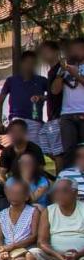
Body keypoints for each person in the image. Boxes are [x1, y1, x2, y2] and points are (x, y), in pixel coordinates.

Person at [26, 178, 84, 260]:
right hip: (55, 254)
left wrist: (79, 253)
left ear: (75, 193)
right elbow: (42, 241)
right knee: (31, 255)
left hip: (81, 254)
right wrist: (57, 254)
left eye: (64, 191)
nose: (59, 195)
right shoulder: (49, 211)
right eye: (56, 192)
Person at [0, 119, 45, 220]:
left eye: (18, 131)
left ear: (25, 133)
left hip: (31, 180)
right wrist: (8, 186)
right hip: (12, 181)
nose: (15, 134)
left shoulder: (35, 149)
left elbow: (41, 171)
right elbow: (1, 174)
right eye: (12, 132)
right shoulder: (7, 150)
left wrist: (27, 180)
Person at [0, 50, 47, 144]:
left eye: (33, 63)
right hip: (16, 119)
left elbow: (53, 95)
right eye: (28, 62)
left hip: (35, 121)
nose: (30, 66)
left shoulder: (42, 80)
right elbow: (0, 102)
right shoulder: (11, 80)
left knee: (33, 150)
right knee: (18, 150)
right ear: (22, 63)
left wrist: (42, 97)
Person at [51, 38, 84, 167]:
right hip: (67, 115)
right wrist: (60, 74)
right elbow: (54, 91)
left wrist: (76, 75)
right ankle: (70, 179)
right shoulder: (64, 68)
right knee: (69, 151)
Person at [38, 40, 65, 167]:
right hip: (51, 115)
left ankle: (61, 175)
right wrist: (42, 98)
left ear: (55, 52)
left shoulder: (61, 68)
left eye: (46, 52)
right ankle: (66, 167)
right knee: (43, 140)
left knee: (58, 151)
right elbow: (53, 94)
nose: (43, 56)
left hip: (59, 114)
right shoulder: (50, 71)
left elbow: (58, 90)